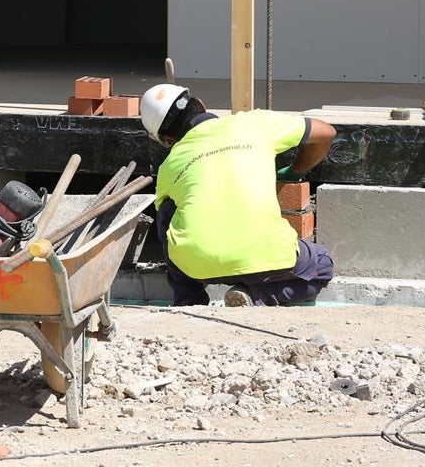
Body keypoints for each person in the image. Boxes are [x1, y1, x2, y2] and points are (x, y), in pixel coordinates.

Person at [140, 83, 337, 307]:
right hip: (270, 262)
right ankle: (256, 298)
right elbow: (326, 132)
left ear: (167, 140)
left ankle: (189, 300)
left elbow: (166, 224)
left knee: (166, 210)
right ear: (202, 105)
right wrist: (295, 170)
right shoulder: (255, 123)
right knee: (321, 266)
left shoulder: (168, 166)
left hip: (198, 268)